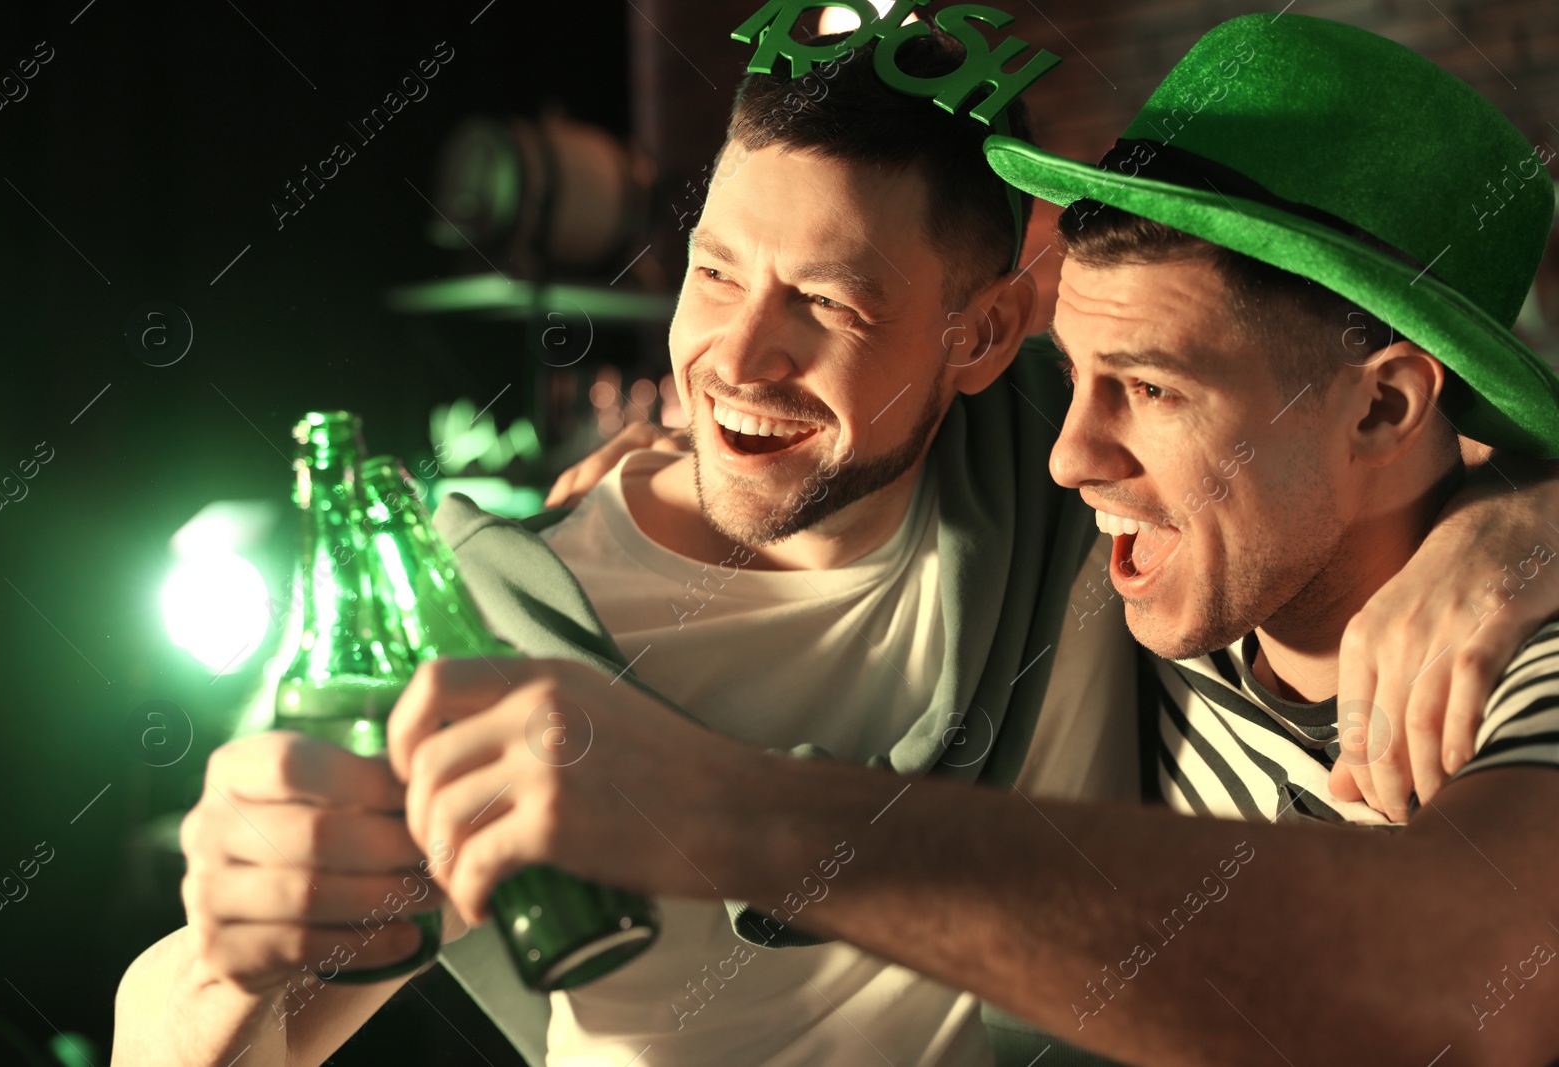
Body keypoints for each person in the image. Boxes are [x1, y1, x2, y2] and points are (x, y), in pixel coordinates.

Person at [110, 7, 1559, 1067]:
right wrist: (242, 957)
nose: (1074, 452)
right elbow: (192, 1035)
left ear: (984, 337)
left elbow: (1478, 976)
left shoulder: (1214, 560)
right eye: (712, 269)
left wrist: (1519, 527)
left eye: (837, 304)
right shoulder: (501, 611)